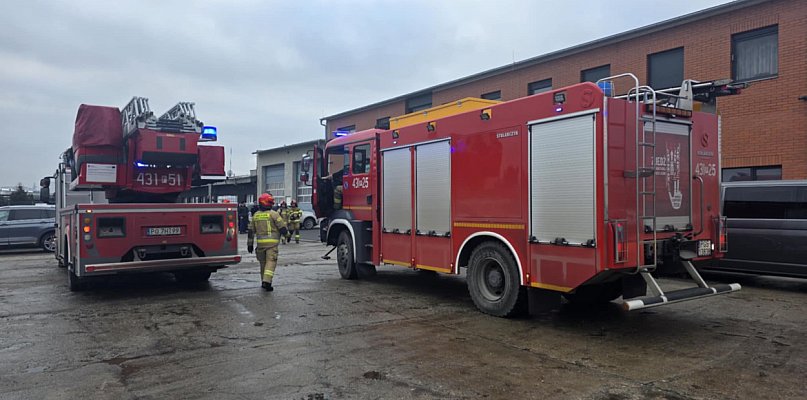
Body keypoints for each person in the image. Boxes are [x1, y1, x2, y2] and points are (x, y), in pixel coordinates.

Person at [247, 193, 288, 291]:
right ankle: (267, 282)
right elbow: (282, 228)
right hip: (272, 245)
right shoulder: (273, 214)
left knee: (263, 264)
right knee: (270, 262)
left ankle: (263, 281)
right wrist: (287, 236)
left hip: (260, 245)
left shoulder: (255, 215)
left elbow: (250, 232)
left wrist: (250, 245)